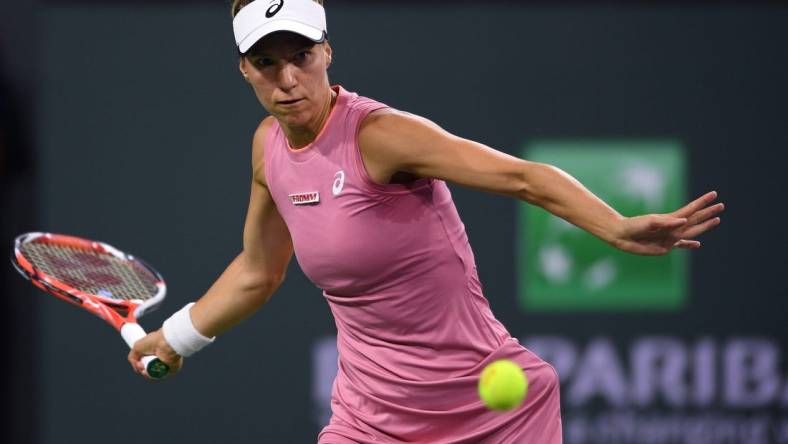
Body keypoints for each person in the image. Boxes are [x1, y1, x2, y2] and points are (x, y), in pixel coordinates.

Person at [128, 1, 724, 442]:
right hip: (369, 417)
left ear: (328, 52)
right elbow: (259, 271)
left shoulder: (381, 135)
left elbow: (523, 176)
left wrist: (616, 229)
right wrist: (178, 338)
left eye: (301, 57)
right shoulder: (268, 150)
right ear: (244, 70)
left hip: (492, 411)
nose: (287, 80)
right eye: (266, 62)